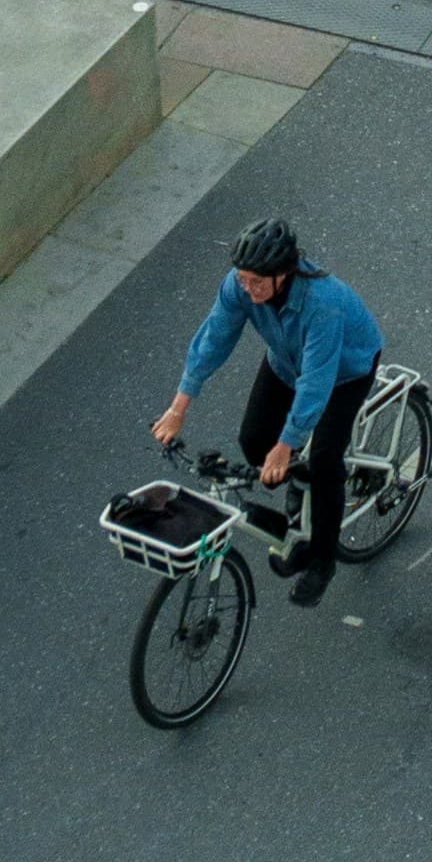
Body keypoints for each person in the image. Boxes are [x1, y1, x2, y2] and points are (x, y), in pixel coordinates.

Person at [152, 216, 388, 605]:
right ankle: (300, 489)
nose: (247, 288)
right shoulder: (240, 286)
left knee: (325, 461)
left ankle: (321, 561)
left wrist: (288, 444)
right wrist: (179, 405)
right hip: (285, 361)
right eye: (243, 279)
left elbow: (316, 383)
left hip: (345, 371)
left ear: (285, 273)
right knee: (253, 440)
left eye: (257, 282)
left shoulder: (322, 305)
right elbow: (214, 338)